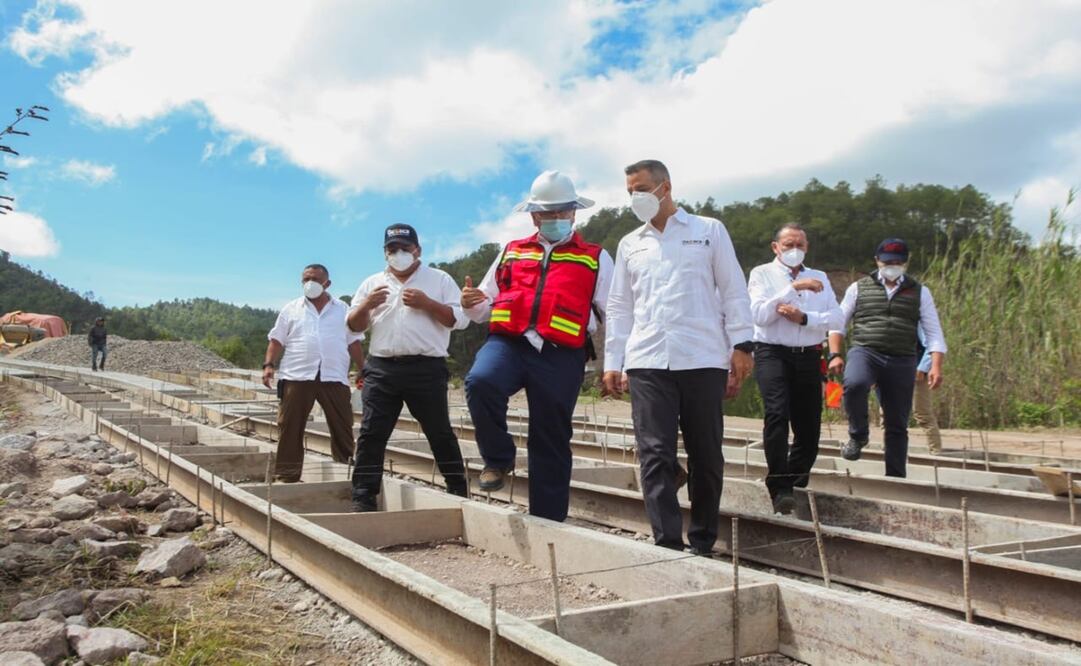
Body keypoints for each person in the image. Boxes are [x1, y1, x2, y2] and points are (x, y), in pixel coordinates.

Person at [603, 159, 754, 554]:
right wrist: (612, 362)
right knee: (654, 452)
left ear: (664, 187)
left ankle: (702, 539)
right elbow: (620, 307)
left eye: (640, 189)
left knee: (706, 453)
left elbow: (734, 288)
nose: (634, 198)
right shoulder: (630, 244)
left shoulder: (708, 231)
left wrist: (742, 344)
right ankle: (666, 542)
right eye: (629, 192)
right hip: (648, 359)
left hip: (702, 356)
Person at [461, 170, 613, 522]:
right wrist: (471, 301)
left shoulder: (595, 257)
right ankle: (498, 460)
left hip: (562, 353)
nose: (557, 218)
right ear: (534, 216)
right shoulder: (511, 252)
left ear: (575, 213)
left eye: (563, 211)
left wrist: (614, 363)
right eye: (549, 212)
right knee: (481, 382)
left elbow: (615, 313)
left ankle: (548, 520)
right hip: (510, 344)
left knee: (551, 435)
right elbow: (484, 306)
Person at [347, 224, 469, 512]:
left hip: (426, 368)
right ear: (385, 252)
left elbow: (458, 319)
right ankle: (363, 497)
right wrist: (366, 305)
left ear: (418, 250)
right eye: (393, 249)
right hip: (382, 368)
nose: (399, 254)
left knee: (438, 431)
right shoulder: (372, 283)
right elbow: (354, 326)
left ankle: (458, 490)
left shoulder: (439, 279)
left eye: (405, 248)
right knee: (372, 432)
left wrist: (427, 303)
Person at [827, 239, 946, 477]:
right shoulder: (859, 287)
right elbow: (838, 324)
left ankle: (895, 476)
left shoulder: (920, 292)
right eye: (888, 261)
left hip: (901, 358)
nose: (893, 266)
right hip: (866, 351)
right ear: (877, 261)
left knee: (897, 423)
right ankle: (858, 435)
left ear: (905, 263)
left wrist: (935, 365)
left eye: (898, 262)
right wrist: (835, 354)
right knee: (855, 384)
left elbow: (934, 333)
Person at [747, 224, 843, 514]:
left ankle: (795, 481)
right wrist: (793, 288)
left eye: (799, 244)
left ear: (807, 247)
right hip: (772, 352)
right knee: (777, 412)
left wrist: (805, 318)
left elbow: (836, 319)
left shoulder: (820, 277)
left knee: (809, 424)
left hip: (809, 355)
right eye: (788, 244)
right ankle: (779, 486)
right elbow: (760, 315)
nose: (794, 250)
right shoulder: (761, 274)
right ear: (775, 247)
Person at [262, 264, 365, 482]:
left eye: (315, 279)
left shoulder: (343, 309)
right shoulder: (291, 309)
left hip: (333, 375)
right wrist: (268, 365)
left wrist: (364, 369)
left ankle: (345, 472)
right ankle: (287, 475)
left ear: (327, 284)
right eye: (305, 279)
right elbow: (276, 339)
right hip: (297, 375)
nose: (310, 283)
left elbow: (353, 343)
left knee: (342, 425)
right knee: (290, 426)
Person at [912, 325, 943, 454]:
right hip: (893, 370)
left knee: (922, 413)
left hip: (916, 371)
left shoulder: (919, 319)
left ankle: (935, 451)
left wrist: (922, 368)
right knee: (886, 414)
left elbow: (932, 344)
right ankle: (889, 449)